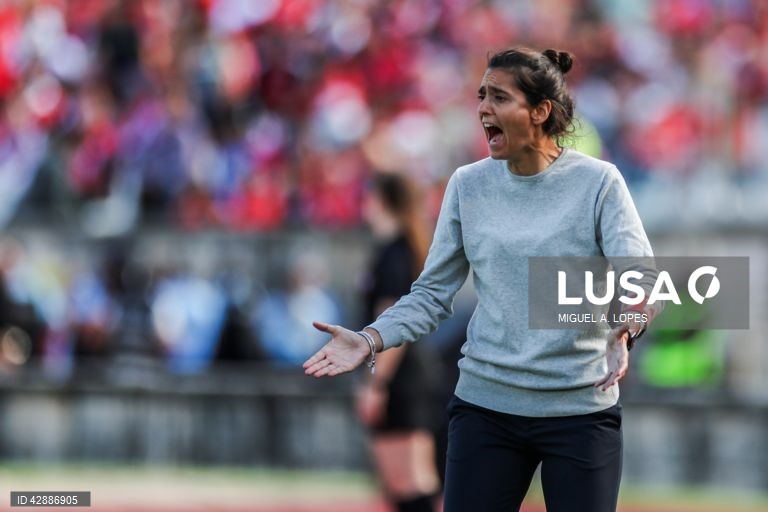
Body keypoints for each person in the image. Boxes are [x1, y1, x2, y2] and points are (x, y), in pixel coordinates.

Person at [304, 47, 662, 512]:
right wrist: (370, 339)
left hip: (580, 409)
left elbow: (642, 278)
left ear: (540, 111)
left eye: (499, 97)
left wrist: (627, 327)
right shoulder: (467, 185)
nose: (483, 109)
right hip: (486, 409)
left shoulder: (600, 183)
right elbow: (431, 295)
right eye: (481, 96)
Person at [357, 173, 443, 512]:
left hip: (402, 378)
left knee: (409, 480)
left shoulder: (396, 253)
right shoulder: (396, 249)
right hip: (405, 376)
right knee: (404, 480)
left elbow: (391, 326)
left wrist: (376, 383)